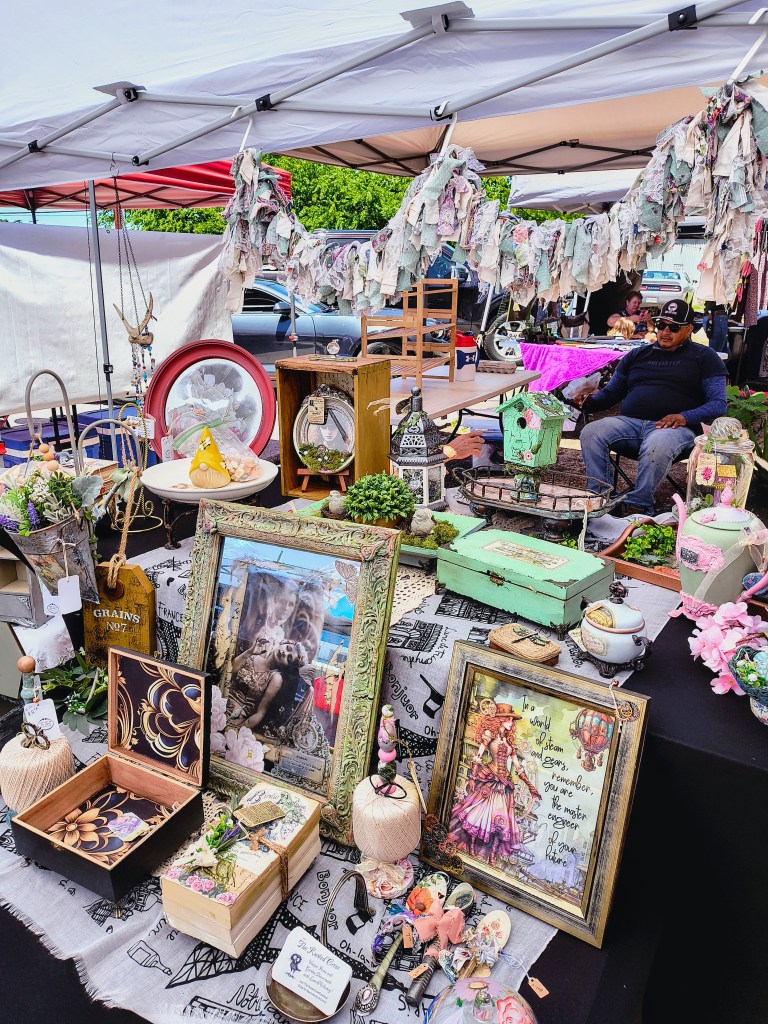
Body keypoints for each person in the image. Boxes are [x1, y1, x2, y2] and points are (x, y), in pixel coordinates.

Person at [574, 299, 727, 515]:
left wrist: (684, 417)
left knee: (658, 441)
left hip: (676, 430)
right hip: (631, 424)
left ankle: (639, 502)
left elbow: (719, 404)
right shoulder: (636, 355)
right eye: (661, 325)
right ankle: (600, 497)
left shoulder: (705, 357)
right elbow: (611, 393)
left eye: (674, 327)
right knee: (591, 432)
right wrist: (590, 401)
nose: (665, 331)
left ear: (689, 329)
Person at [447, 703, 541, 866]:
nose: (512, 723)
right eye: (509, 719)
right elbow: (478, 755)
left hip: (503, 787)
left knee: (500, 823)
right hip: (489, 781)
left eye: (512, 720)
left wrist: (531, 787)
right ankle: (471, 849)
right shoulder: (489, 736)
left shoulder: (511, 745)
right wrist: (473, 775)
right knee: (478, 816)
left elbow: (518, 769)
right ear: (501, 720)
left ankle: (491, 856)